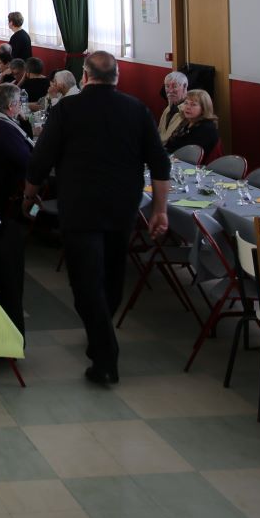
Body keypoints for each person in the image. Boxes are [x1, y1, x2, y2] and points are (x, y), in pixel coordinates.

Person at [26, 51, 170, 386]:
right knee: (112, 277)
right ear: (117, 77)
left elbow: (40, 161)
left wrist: (29, 196)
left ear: (86, 77)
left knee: (85, 282)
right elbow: (161, 165)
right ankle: (102, 337)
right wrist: (160, 209)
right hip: (122, 207)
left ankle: (105, 353)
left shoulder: (67, 110)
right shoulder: (137, 110)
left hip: (80, 206)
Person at [163, 89, 221, 160]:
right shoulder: (186, 121)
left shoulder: (207, 128)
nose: (187, 107)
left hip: (197, 168)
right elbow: (170, 143)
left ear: (203, 109)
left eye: (193, 104)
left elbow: (187, 154)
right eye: (186, 103)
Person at [157, 71, 190, 144]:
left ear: (184, 86)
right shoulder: (169, 107)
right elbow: (159, 132)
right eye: (167, 86)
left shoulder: (188, 111)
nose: (170, 91)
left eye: (175, 86)